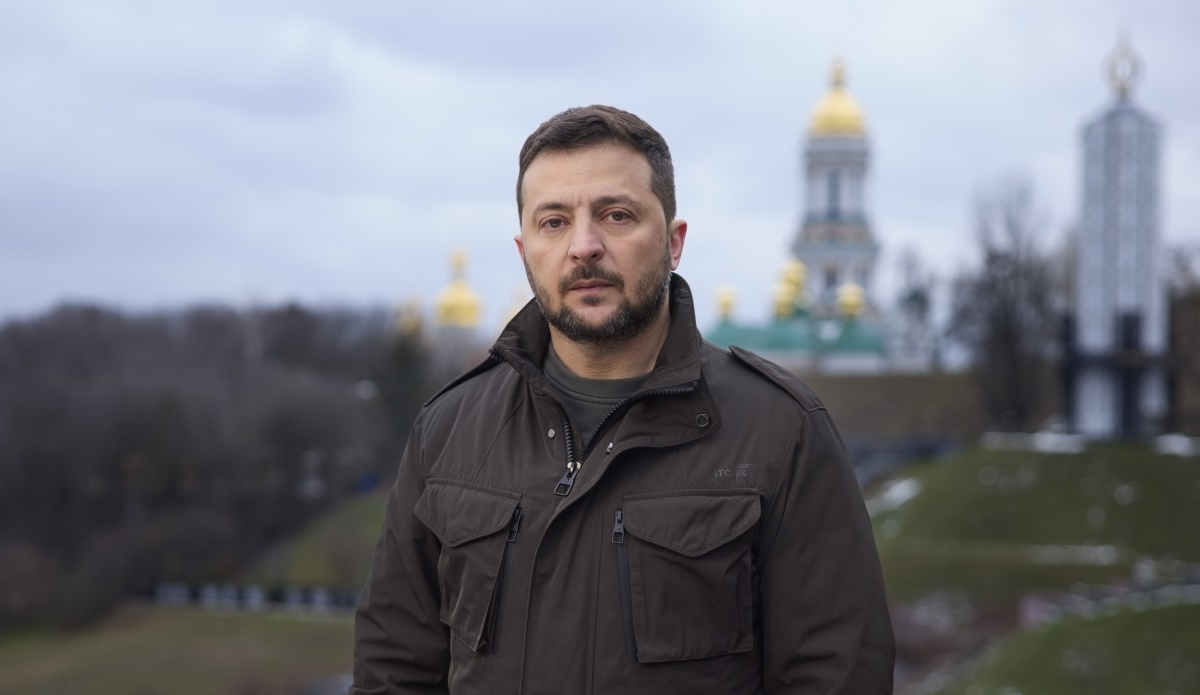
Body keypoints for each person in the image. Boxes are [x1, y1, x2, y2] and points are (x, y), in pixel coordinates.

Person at [352, 105, 894, 694]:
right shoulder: (449, 430)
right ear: (524, 250)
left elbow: (836, 675)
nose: (584, 246)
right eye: (554, 222)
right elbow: (393, 671)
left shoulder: (782, 432)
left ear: (674, 242)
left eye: (616, 215)